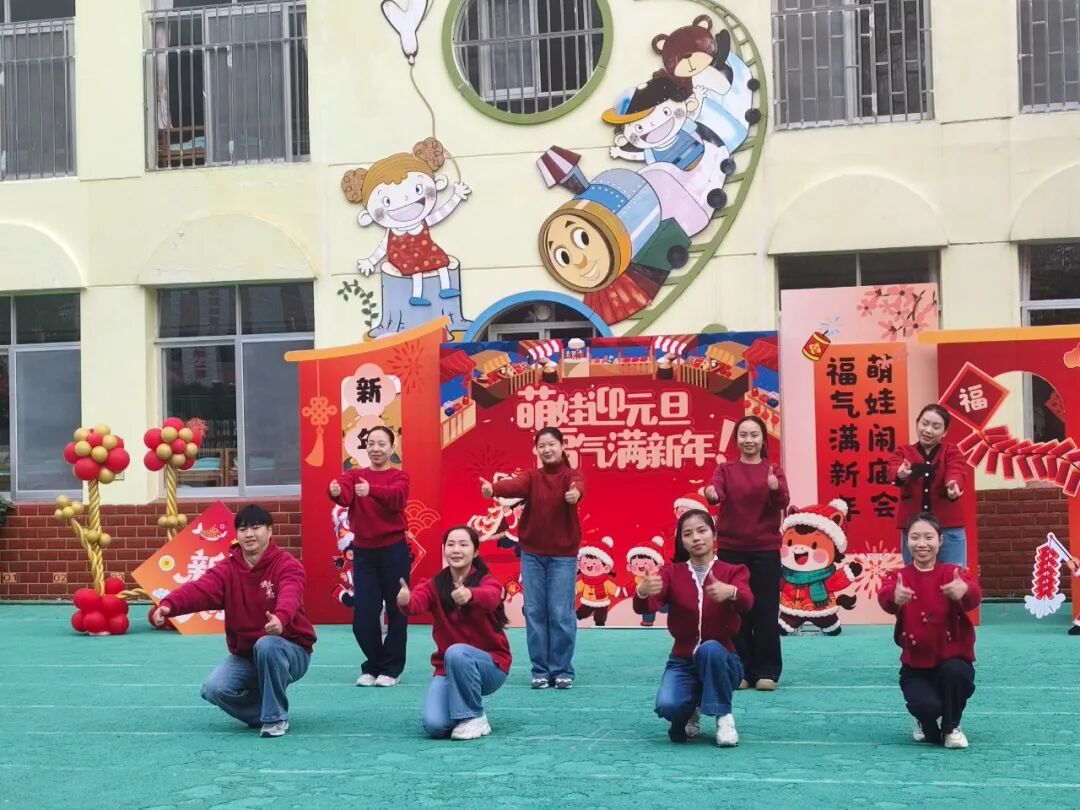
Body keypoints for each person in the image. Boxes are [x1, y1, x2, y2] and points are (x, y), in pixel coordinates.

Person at [150, 505, 316, 738]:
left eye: (256, 527)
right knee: (214, 689)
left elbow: (291, 594)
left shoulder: (287, 565)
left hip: (290, 650)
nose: (249, 534)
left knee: (267, 644)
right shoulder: (228, 569)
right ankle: (262, 712)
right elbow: (200, 589)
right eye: (243, 529)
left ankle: (275, 718)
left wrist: (281, 618)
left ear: (269, 531)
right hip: (247, 656)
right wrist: (169, 605)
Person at [634, 509, 752, 746]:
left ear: (714, 535)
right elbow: (646, 606)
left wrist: (732, 592)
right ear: (682, 541)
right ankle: (691, 707)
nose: (696, 538)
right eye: (688, 534)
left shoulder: (734, 571)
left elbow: (747, 602)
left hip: (723, 660)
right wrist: (643, 591)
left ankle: (724, 717)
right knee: (668, 705)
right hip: (682, 661)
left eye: (702, 531)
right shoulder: (671, 573)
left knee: (710, 648)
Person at [481, 427, 584, 689]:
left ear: (562, 446)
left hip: (563, 556)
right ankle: (540, 670)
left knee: (560, 613)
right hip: (532, 555)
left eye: (551, 444)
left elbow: (578, 487)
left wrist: (575, 495)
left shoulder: (571, 476)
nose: (547, 450)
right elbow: (514, 485)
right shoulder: (532, 477)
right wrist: (493, 489)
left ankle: (562, 670)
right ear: (536, 450)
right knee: (535, 612)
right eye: (542, 446)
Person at [878, 513, 981, 749]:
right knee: (928, 713)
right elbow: (885, 597)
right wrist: (894, 596)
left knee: (957, 673)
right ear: (906, 541)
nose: (922, 544)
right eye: (915, 537)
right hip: (915, 665)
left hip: (953, 658)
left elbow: (973, 595)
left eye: (928, 537)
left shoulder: (954, 573)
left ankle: (952, 726)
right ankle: (925, 722)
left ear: (940, 541)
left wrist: (964, 590)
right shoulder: (898, 576)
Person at [399, 526, 511, 740]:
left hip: (491, 666)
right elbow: (416, 603)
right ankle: (461, 713)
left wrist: (470, 594)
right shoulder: (435, 584)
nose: (456, 550)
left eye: (463, 544)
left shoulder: (487, 581)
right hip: (448, 668)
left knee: (457, 652)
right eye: (450, 545)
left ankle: (474, 716)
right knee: (435, 725)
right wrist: (405, 600)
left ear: (475, 552)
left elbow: (492, 596)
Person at [704, 415, 789, 691]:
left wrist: (775, 489)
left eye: (754, 435)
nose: (748, 440)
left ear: (763, 439)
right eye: (743, 435)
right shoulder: (725, 469)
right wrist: (712, 493)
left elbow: (783, 501)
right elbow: (715, 491)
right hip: (732, 550)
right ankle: (739, 669)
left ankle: (767, 670)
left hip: (765, 550)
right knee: (735, 611)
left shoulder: (773, 470)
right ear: (736, 439)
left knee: (765, 611)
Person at [328, 425, 411, 687]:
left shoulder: (400, 477)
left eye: (381, 444)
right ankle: (374, 666)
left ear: (392, 447)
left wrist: (371, 490)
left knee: (397, 610)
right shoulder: (355, 475)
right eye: (371, 443)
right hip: (364, 553)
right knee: (363, 615)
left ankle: (392, 669)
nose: (375, 448)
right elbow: (344, 494)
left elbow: (397, 499)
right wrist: (335, 491)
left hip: (394, 550)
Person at [887, 404, 969, 565]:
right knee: (914, 576)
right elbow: (893, 470)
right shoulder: (903, 451)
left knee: (954, 574)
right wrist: (901, 473)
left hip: (948, 527)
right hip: (914, 529)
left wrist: (953, 484)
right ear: (917, 423)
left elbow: (956, 469)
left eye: (936, 427)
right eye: (924, 423)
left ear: (944, 432)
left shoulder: (951, 451)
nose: (928, 430)